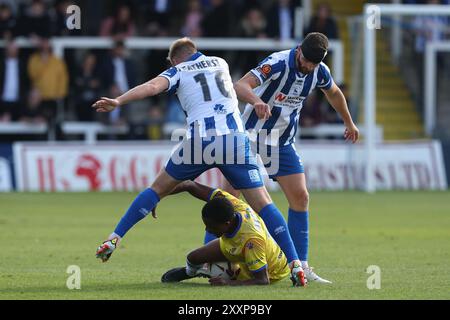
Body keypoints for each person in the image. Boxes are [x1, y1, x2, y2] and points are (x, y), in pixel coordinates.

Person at [92, 37, 307, 286]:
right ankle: (296, 265)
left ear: (174, 59)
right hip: (234, 140)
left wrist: (118, 101)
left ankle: (113, 238)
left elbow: (152, 87)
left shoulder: (177, 70)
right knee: (263, 203)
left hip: (199, 142)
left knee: (155, 189)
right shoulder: (220, 62)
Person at [223, 32, 360, 284]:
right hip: (250, 137)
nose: (308, 66)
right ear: (299, 50)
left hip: (281, 143)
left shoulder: (319, 71)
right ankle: (215, 263)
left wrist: (349, 122)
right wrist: (256, 101)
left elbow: (334, 93)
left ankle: (301, 265)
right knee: (228, 200)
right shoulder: (276, 63)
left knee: (301, 196)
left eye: (314, 64)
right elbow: (240, 85)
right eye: (306, 60)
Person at [160, 181, 291, 286]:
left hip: (272, 270)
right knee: (193, 258)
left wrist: (228, 283)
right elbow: (189, 185)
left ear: (227, 223)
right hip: (236, 245)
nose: (208, 230)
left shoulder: (251, 241)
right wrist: (157, 196)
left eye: (211, 227)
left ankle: (219, 271)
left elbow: (262, 281)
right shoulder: (231, 204)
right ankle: (191, 272)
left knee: (232, 274)